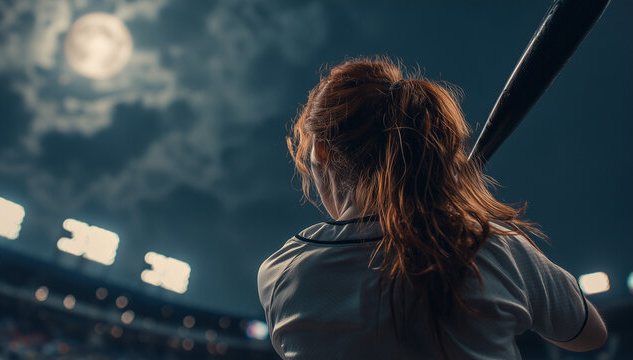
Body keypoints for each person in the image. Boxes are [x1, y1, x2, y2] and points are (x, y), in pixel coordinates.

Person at [257, 57, 607, 359]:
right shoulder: (489, 246)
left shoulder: (281, 273)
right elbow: (589, 333)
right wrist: (462, 212)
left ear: (320, 150)